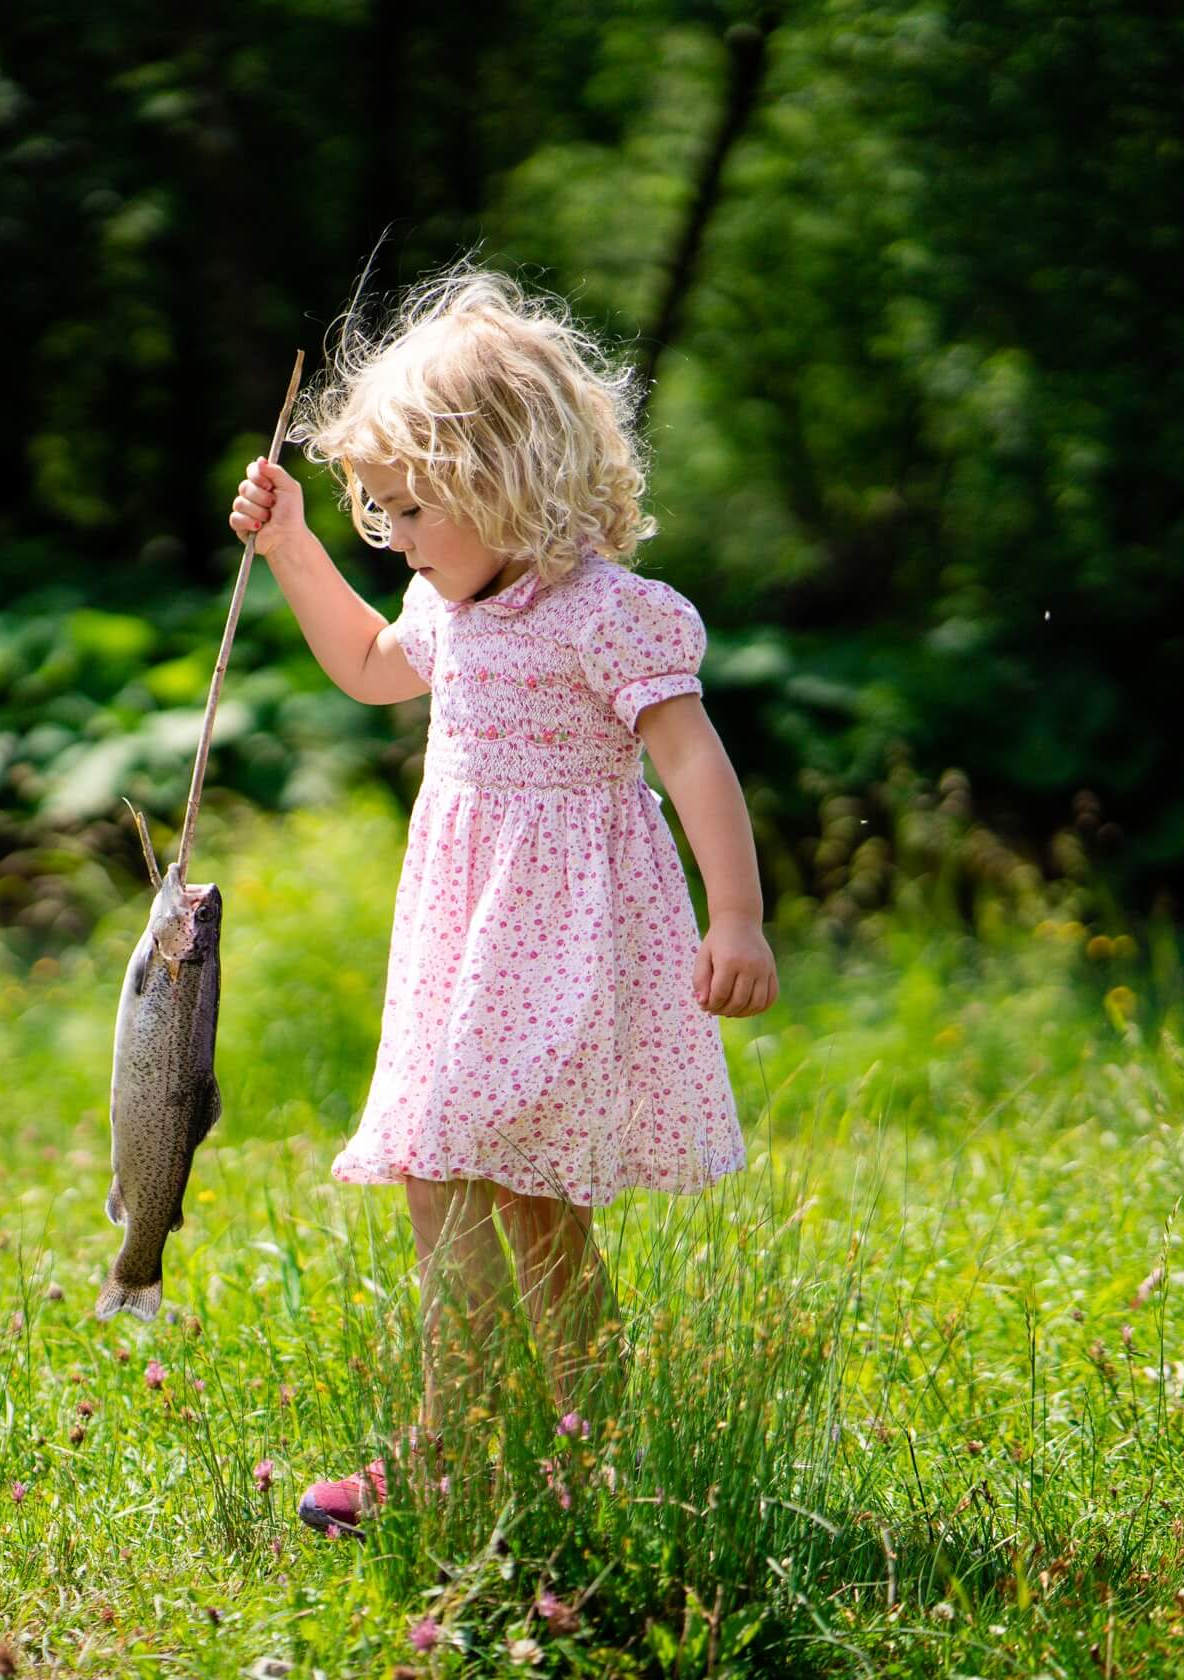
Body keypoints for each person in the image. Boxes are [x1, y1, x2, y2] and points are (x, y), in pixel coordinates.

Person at [227, 261, 778, 1539]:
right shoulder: (445, 599)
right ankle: (568, 1457)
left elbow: (694, 758)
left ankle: (465, 1459)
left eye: (411, 510)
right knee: (496, 1193)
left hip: (568, 942)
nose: (400, 539)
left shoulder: (606, 615)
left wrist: (735, 915)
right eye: (378, 517)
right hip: (465, 939)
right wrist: (297, 545)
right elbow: (368, 670)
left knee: (480, 1181)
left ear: (504, 484)